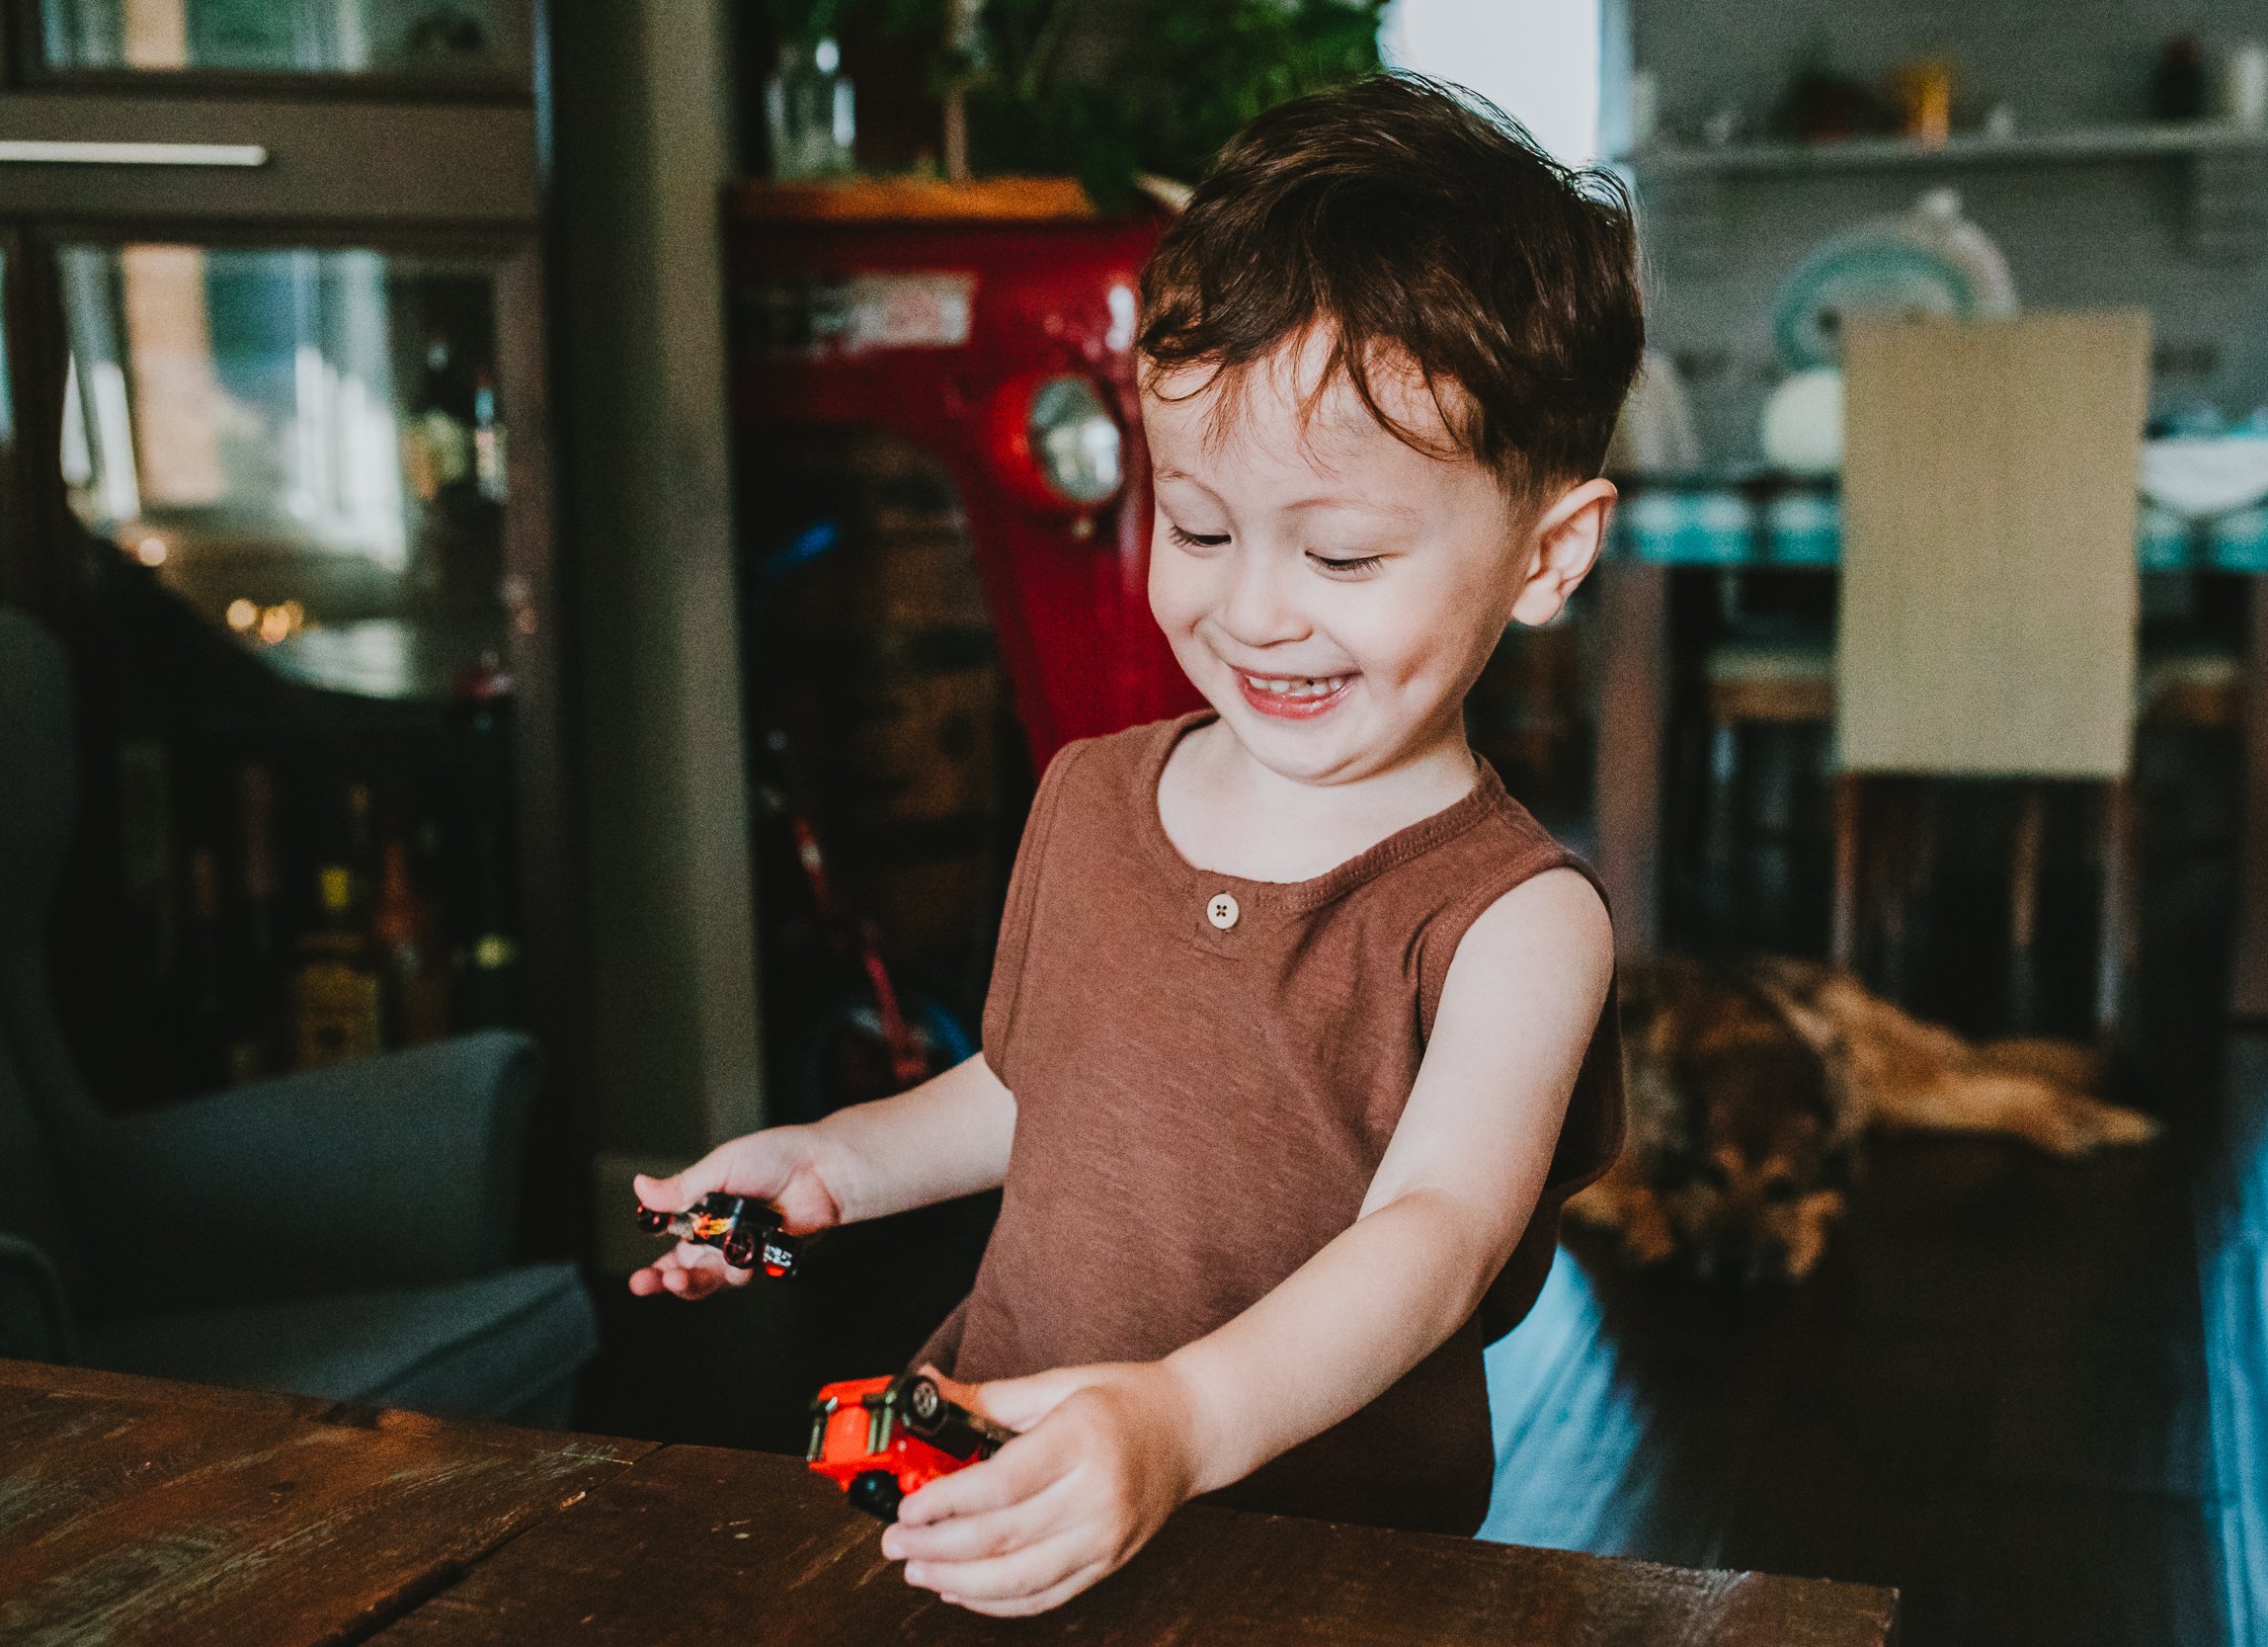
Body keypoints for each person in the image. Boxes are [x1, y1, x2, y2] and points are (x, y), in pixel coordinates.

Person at [633, 72, 1643, 1615]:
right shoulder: (1094, 795)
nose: (1253, 610)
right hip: (1008, 1473)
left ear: (1547, 555)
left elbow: (1437, 1239)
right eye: (1200, 525)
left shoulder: (1514, 921)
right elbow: (1037, 1090)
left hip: (1314, 1560)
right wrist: (833, 1166)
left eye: (1345, 551)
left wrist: (1181, 1424)